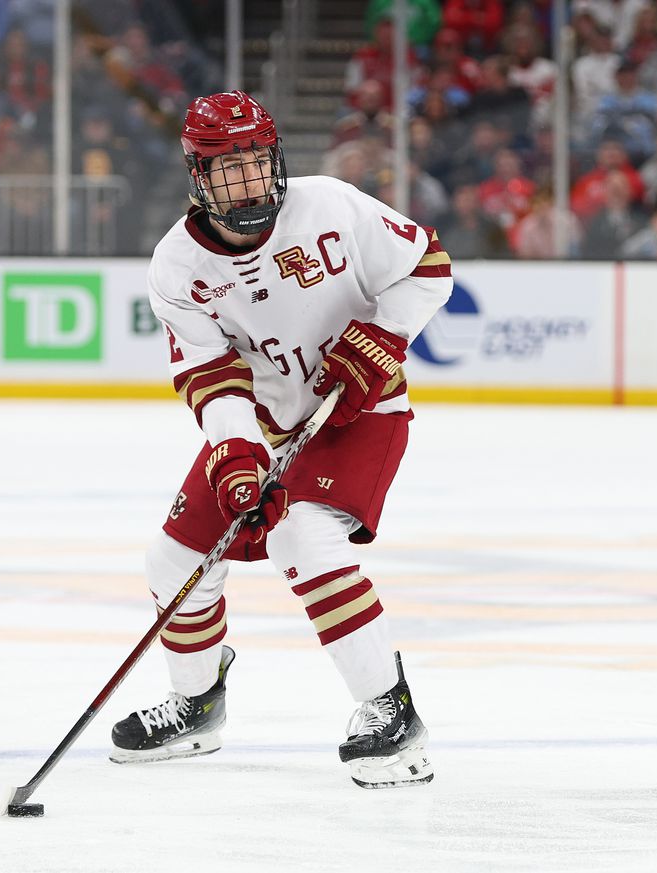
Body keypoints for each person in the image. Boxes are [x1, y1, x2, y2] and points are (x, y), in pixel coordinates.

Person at [110, 91, 451, 789]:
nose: (248, 181)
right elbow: (212, 377)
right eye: (227, 169)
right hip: (263, 422)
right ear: (198, 177)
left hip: (362, 413)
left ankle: (391, 710)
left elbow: (428, 266)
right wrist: (237, 460)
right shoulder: (178, 267)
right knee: (173, 558)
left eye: (257, 162)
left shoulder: (330, 206)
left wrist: (382, 339)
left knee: (302, 537)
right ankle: (197, 703)